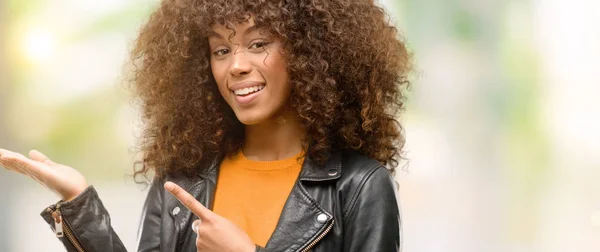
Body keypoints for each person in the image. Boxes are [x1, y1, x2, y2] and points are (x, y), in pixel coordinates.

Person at [0, 0, 411, 251]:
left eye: (258, 43)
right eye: (220, 49)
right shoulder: (183, 182)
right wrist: (79, 203)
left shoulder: (359, 188)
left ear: (309, 52)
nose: (236, 65)